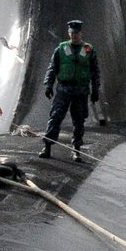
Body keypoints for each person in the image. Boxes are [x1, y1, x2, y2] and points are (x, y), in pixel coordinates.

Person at [40, 20, 100, 160]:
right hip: (64, 89)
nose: (74, 36)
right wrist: (48, 84)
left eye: (77, 33)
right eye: (72, 33)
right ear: (69, 34)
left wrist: (95, 89)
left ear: (81, 33)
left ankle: (76, 149)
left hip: (81, 90)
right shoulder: (61, 49)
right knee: (55, 117)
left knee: (79, 120)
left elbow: (95, 71)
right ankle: (47, 146)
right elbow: (52, 68)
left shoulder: (88, 49)